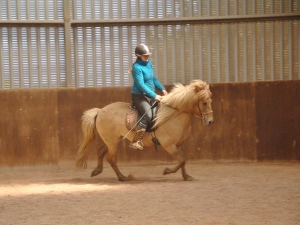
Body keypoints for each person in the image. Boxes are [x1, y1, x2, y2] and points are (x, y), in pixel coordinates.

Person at [129, 44, 168, 150]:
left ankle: (155, 137)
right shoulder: (136, 68)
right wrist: (155, 95)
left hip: (150, 95)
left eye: (148, 55)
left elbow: (153, 79)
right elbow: (141, 85)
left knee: (158, 114)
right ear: (138, 56)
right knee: (148, 115)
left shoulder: (148, 64)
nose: (147, 57)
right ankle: (136, 141)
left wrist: (162, 88)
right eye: (145, 56)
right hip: (139, 96)